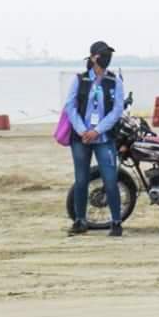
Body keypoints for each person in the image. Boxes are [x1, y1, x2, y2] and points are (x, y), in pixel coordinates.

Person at [63, 41, 125, 236]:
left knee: (110, 179)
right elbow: (70, 106)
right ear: (93, 57)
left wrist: (97, 130)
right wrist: (83, 130)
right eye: (102, 55)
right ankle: (80, 220)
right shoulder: (80, 79)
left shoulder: (115, 81)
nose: (106, 58)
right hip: (81, 139)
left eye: (108, 55)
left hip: (104, 138)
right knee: (81, 180)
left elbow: (117, 110)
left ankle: (116, 222)